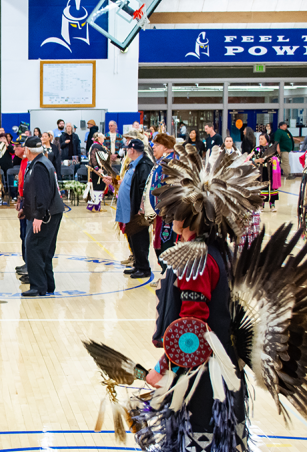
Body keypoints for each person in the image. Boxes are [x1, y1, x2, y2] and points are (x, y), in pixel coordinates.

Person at [137, 146, 265, 452]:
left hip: (203, 378)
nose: (168, 219)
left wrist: (163, 366)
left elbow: (192, 327)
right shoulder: (218, 250)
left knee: (199, 442)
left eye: (173, 213)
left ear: (188, 216)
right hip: (221, 368)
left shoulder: (197, 259)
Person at [103, 139, 154, 279]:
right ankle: (137, 265)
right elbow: (128, 182)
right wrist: (114, 181)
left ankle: (144, 268)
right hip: (128, 208)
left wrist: (141, 208)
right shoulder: (134, 164)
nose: (126, 151)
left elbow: (143, 187)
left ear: (132, 150)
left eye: (127, 149)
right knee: (132, 237)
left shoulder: (144, 165)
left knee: (139, 238)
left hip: (136, 210)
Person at [21, 136, 65, 296]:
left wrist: (38, 216)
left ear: (28, 150)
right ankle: (48, 285)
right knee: (45, 250)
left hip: (46, 214)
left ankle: (38, 287)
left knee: (33, 247)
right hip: (52, 211)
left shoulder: (39, 166)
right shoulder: (43, 161)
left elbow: (43, 193)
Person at [147, 133, 179, 288]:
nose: (153, 147)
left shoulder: (172, 162)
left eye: (157, 145)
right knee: (160, 243)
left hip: (169, 213)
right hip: (161, 213)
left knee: (166, 244)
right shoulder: (162, 161)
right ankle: (166, 275)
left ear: (166, 147)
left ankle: (169, 277)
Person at [252, 133, 280, 211]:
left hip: (271, 170)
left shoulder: (272, 149)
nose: (260, 140)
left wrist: (273, 160)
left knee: (272, 186)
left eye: (262, 139)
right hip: (261, 170)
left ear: (266, 140)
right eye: (259, 139)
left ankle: (272, 204)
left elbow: (278, 158)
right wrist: (257, 160)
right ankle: (262, 204)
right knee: (262, 186)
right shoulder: (256, 149)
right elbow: (250, 159)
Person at [14, 136, 30, 277]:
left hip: (29, 202)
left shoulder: (29, 162)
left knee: (27, 234)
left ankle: (30, 265)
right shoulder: (23, 161)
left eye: (16, 146)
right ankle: (27, 262)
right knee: (23, 234)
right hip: (23, 200)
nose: (14, 149)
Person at [85, 133, 108, 211]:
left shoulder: (94, 146)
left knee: (97, 187)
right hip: (97, 171)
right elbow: (93, 158)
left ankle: (95, 206)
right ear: (98, 138)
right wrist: (97, 168)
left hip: (96, 170)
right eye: (102, 138)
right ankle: (94, 206)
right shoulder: (96, 146)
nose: (103, 139)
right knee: (97, 187)